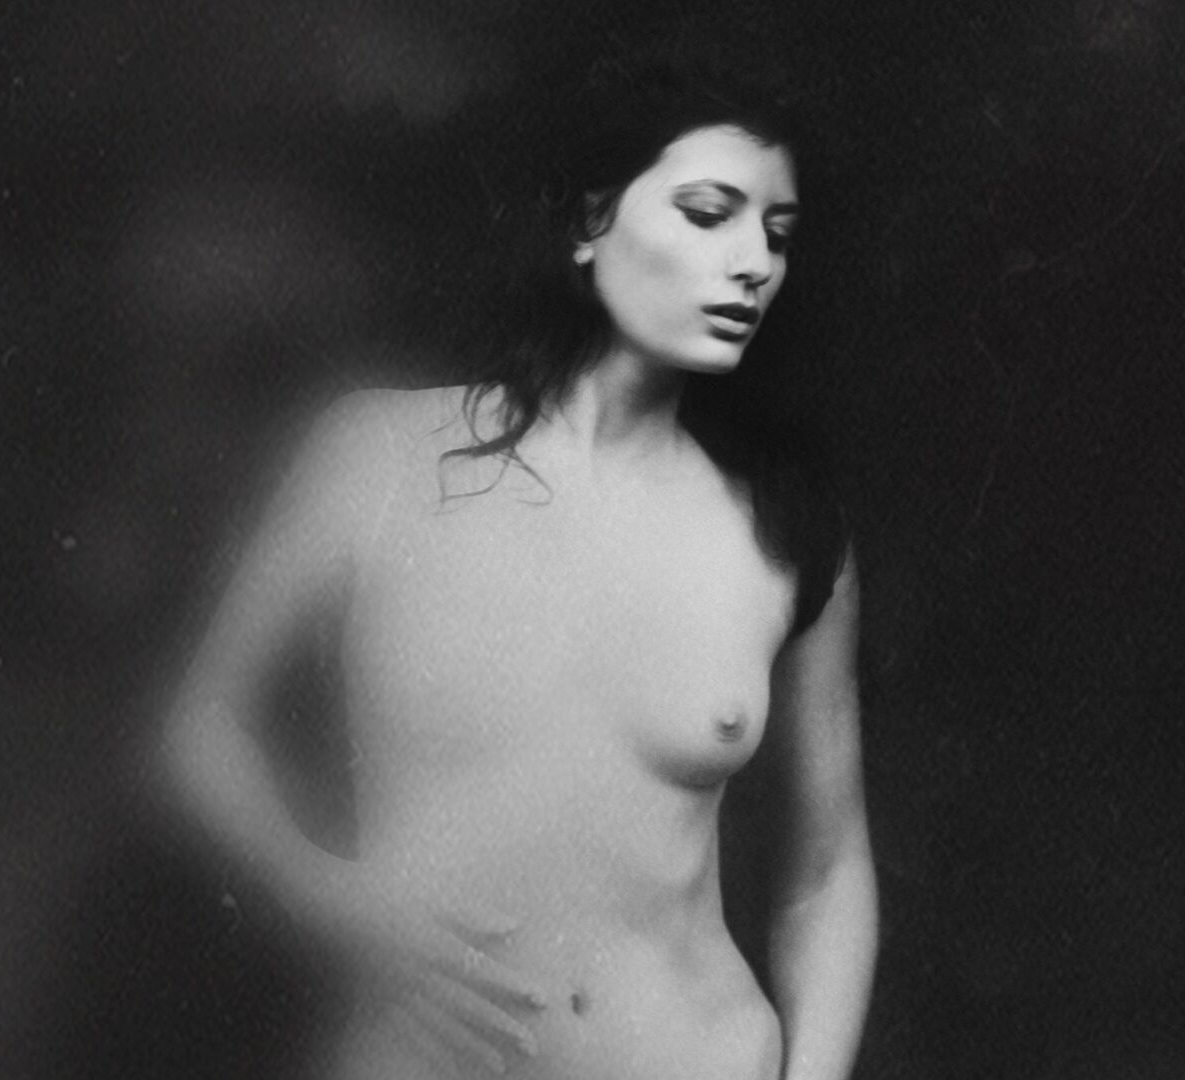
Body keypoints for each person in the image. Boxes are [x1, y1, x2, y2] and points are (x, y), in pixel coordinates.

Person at [162, 59, 876, 1080]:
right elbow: (201, 729)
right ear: (591, 222)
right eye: (709, 213)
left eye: (777, 232)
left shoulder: (782, 534)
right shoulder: (376, 456)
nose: (754, 261)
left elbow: (827, 870)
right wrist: (334, 908)